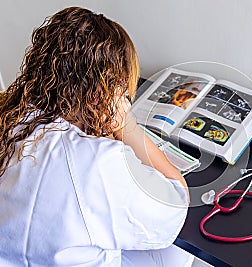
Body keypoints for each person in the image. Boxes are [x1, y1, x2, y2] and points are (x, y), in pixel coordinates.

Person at [0, 6, 193, 267]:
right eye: (123, 93)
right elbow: (176, 203)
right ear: (98, 96)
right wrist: (125, 124)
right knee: (178, 253)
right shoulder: (100, 163)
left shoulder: (8, 118)